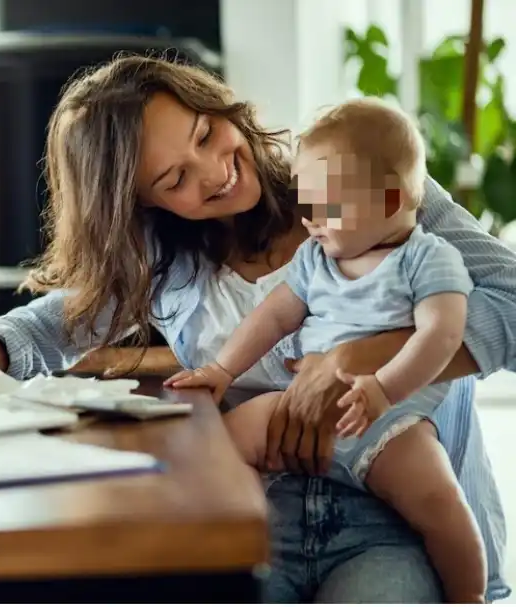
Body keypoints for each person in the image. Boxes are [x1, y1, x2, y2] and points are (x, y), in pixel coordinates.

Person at [0, 54, 514, 602]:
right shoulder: (163, 256)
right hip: (259, 510)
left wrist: (359, 358)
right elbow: (57, 321)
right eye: (174, 180)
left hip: (399, 516)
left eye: (206, 134)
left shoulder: (359, 175)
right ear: (142, 204)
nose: (215, 172)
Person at [165, 97, 485, 602]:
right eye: (305, 203)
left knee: (439, 501)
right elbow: (273, 315)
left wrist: (381, 388)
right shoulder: (317, 258)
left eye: (324, 206)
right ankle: (248, 534)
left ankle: (470, 594)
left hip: (390, 420)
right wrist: (223, 369)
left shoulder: (427, 258)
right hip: (301, 406)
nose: (308, 219)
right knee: (221, 440)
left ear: (386, 202)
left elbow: (441, 336)